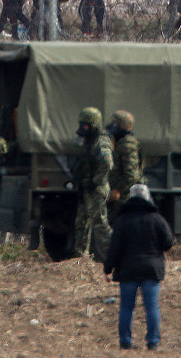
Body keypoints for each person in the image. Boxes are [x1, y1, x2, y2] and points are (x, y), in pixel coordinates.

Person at [103, 184, 174, 351]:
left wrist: (107, 268)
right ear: (147, 197)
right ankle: (153, 342)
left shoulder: (122, 221)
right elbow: (168, 243)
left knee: (126, 307)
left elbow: (114, 248)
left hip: (127, 270)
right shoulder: (156, 218)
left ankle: (125, 342)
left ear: (130, 197)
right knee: (152, 307)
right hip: (151, 269)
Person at [71, 107, 113, 260]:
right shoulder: (89, 140)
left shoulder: (101, 142)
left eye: (86, 126)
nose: (83, 128)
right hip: (86, 188)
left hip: (96, 189)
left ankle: (115, 256)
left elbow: (107, 164)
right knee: (81, 223)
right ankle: (80, 257)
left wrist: (94, 182)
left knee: (100, 224)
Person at [106, 110, 142, 223]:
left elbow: (131, 175)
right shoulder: (120, 142)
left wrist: (117, 190)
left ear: (121, 125)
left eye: (115, 123)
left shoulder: (127, 145)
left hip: (123, 198)